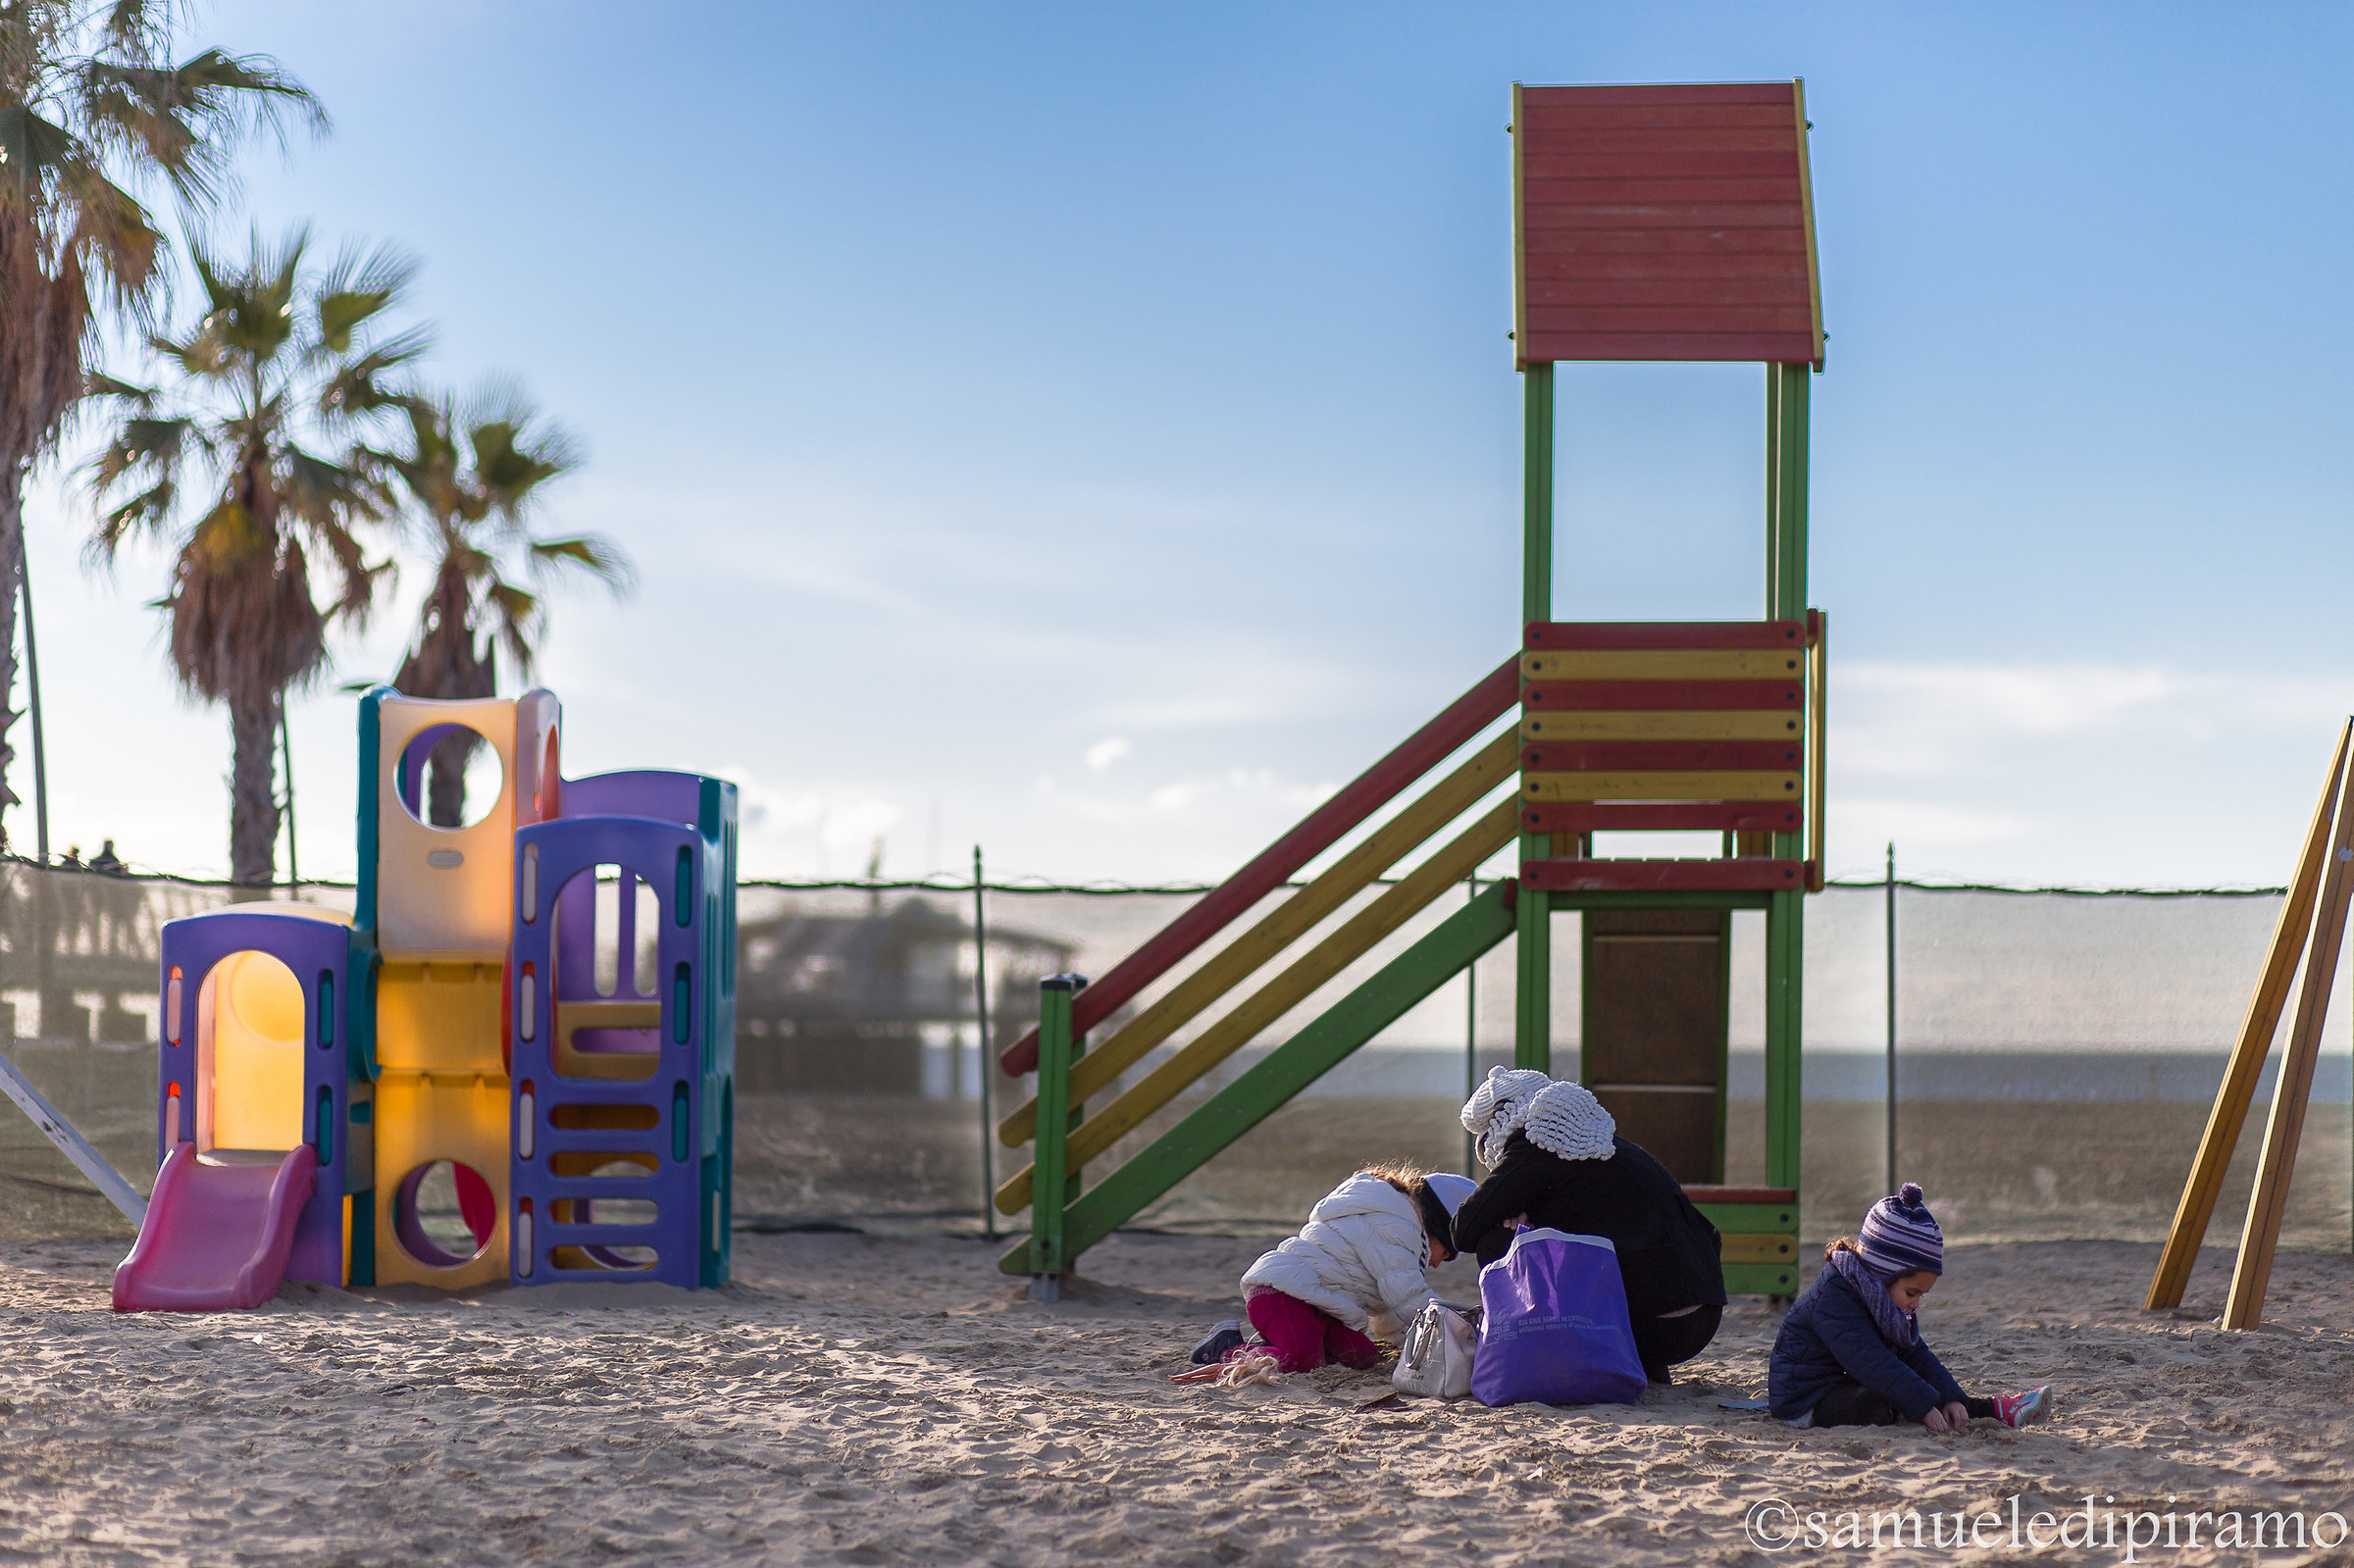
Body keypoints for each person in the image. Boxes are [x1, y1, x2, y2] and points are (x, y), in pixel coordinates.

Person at [1451, 1068, 1725, 1384]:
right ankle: (1646, 1366)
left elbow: (1464, 1230)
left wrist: (1524, 1223)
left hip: (1655, 1325)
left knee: (1496, 1242)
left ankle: (1538, 1352)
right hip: (1702, 1314)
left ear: (1499, 1122)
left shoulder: (1538, 1142)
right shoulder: (1599, 1143)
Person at [1769, 1182, 2054, 1431]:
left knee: (1919, 1391)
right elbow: (1872, 1362)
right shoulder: (1835, 1298)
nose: (1916, 1303)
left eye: (1922, 1295)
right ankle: (1971, 1410)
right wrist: (1922, 1405)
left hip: (1844, 1382)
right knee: (1878, 1404)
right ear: (1881, 1274)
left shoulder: (1878, 1299)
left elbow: (1914, 1353)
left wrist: (1950, 1396)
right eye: (1911, 1292)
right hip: (1805, 1400)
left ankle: (1993, 1410)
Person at [1231, 1164, 1475, 1374]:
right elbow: (1408, 1297)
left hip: (1319, 1307)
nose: (1437, 1263)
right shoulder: (1395, 1226)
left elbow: (1391, 1314)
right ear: (1439, 1227)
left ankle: (1292, 1339)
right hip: (1282, 1293)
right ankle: (1224, 1348)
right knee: (1299, 1359)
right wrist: (1458, 1333)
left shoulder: (1399, 1229)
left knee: (1361, 1355)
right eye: (1446, 1253)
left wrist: (1418, 1344)